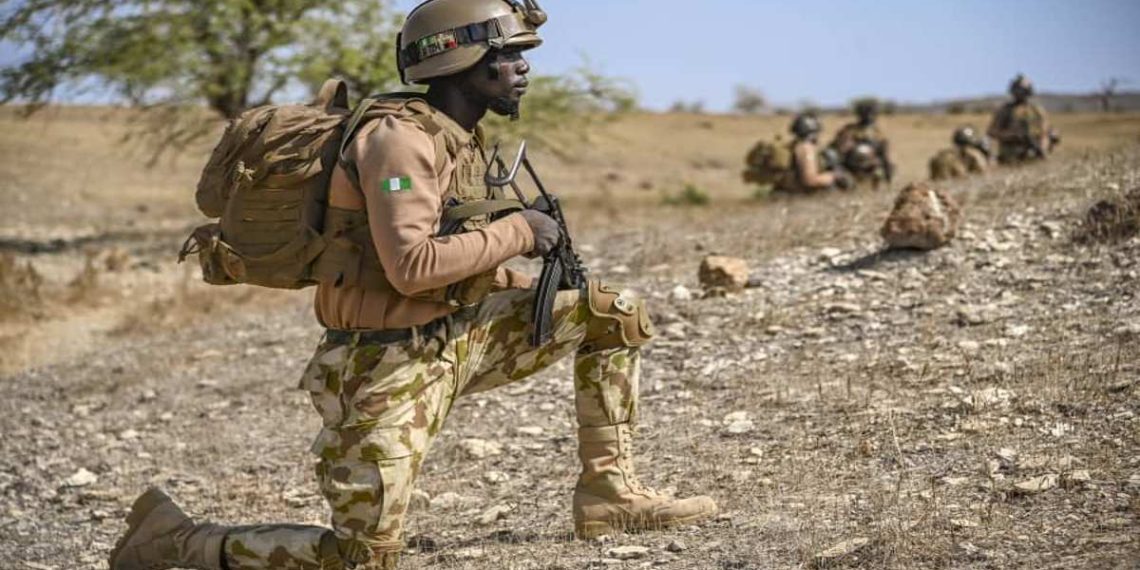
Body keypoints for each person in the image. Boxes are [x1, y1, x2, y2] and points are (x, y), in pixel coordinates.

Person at [108, 1, 717, 569]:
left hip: (456, 334)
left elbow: (450, 251)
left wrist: (511, 276)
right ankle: (179, 540)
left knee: (611, 311)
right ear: (460, 60)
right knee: (364, 557)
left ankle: (609, 495)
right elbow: (413, 267)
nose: (522, 67)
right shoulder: (397, 143)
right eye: (506, 55)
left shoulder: (457, 133)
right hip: (382, 363)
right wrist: (519, 232)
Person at [772, 113, 852, 194]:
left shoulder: (793, 146)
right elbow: (810, 180)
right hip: (798, 194)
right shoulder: (806, 148)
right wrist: (833, 176)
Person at [987, 74, 1054, 164]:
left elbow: (1044, 132)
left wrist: (1042, 148)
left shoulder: (1036, 110)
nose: (1020, 93)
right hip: (1011, 154)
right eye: (1018, 90)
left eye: (1022, 90)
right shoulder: (1005, 110)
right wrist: (1011, 135)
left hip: (1034, 152)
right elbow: (992, 132)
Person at [829, 99, 894, 189]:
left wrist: (888, 179)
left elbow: (885, 158)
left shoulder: (879, 134)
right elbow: (837, 151)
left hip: (871, 170)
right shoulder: (849, 130)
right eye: (866, 112)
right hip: (849, 168)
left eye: (871, 112)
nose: (868, 115)